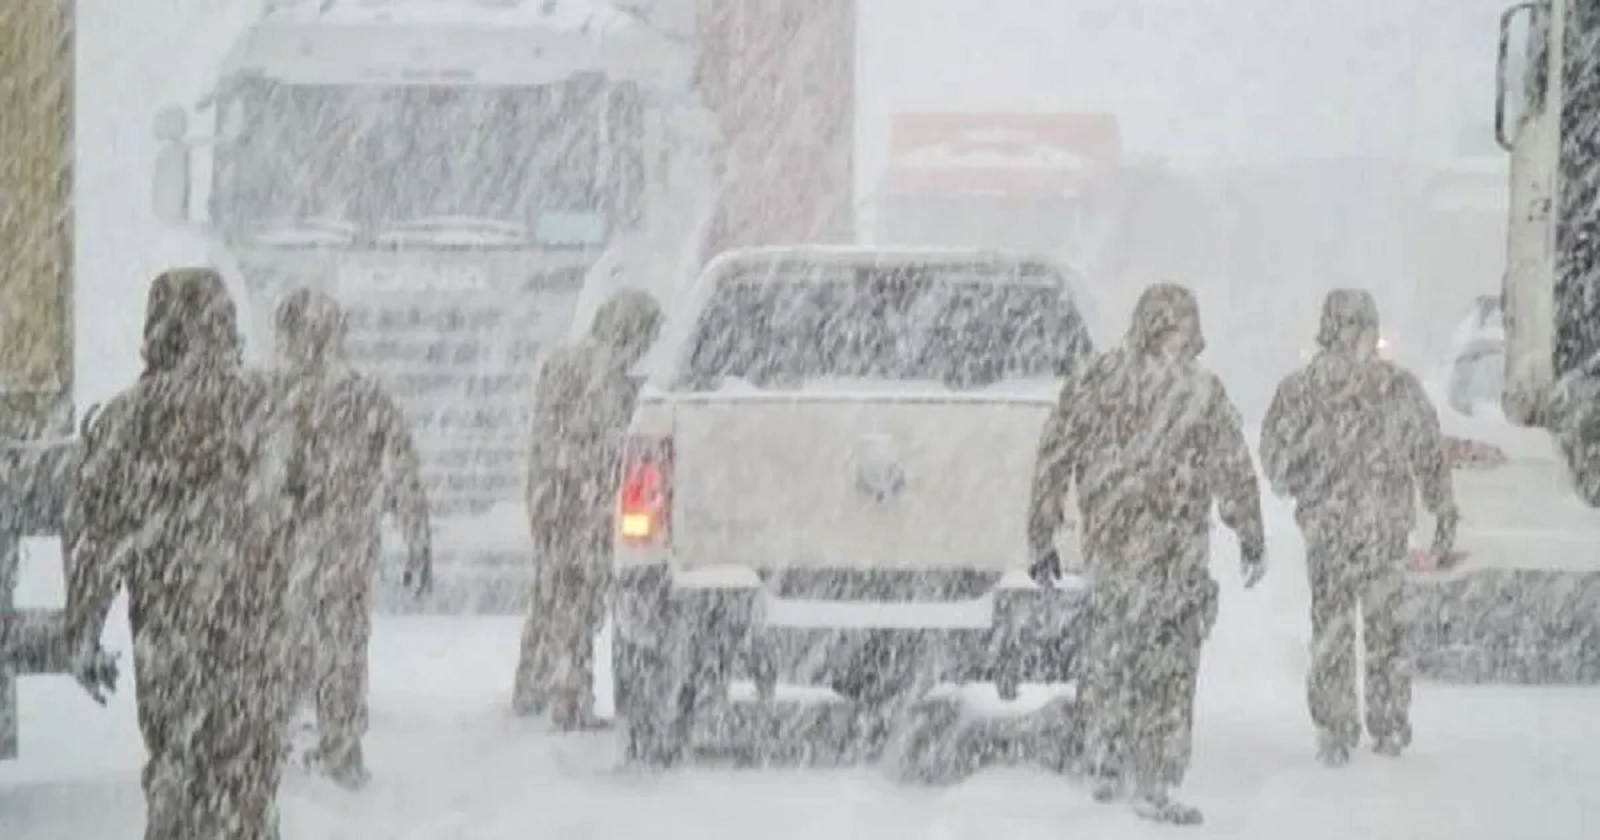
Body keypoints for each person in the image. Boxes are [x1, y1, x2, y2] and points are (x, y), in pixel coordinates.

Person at [64, 267, 295, 840]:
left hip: (169, 635)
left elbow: (96, 542)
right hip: (256, 637)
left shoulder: (124, 420)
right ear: (226, 327)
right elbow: (299, 515)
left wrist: (83, 633)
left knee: (178, 764)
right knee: (249, 778)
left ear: (156, 330)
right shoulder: (264, 410)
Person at [1028, 282, 1266, 826]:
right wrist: (1248, 531)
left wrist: (1042, 534)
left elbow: (1054, 455)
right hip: (1174, 557)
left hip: (1118, 553)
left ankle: (1110, 760)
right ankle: (1154, 773)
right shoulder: (1200, 392)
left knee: (1116, 658)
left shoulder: (1097, 379)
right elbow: (1232, 468)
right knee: (1169, 669)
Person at [1259, 289, 1457, 766]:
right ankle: (1337, 727)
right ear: (1330, 331)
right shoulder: (1304, 390)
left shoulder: (1395, 389)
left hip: (1381, 531)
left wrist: (1443, 507)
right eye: (1348, 325)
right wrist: (1306, 476)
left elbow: (1429, 451)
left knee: (1382, 632)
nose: (1356, 336)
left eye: (1362, 325)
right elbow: (1275, 457)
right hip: (1332, 534)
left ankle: (1384, 725)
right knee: (1335, 632)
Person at [273, 287, 432, 789]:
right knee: (340, 648)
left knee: (290, 647)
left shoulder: (266, 395)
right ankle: (340, 750)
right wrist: (417, 538)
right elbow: (403, 472)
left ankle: (287, 747)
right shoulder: (364, 396)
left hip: (287, 549)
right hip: (344, 547)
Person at [514, 289, 663, 729]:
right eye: (645, 337)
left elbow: (553, 434)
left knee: (550, 591)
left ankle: (532, 683)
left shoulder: (563, 362)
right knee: (579, 599)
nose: (645, 349)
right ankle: (570, 698)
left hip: (549, 495)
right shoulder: (605, 376)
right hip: (580, 499)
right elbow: (605, 445)